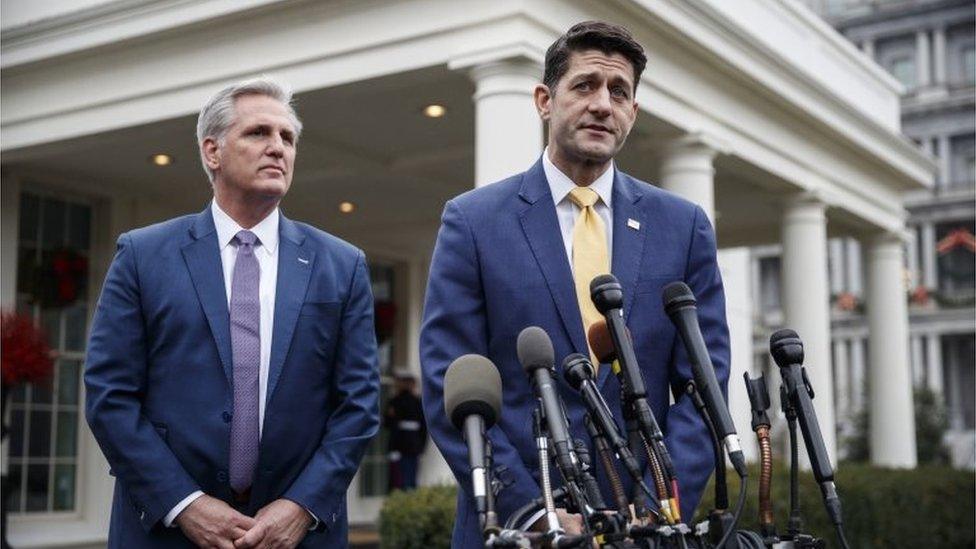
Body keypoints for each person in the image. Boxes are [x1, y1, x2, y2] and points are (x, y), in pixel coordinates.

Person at [420, 21, 730, 548]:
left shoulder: (683, 226)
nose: (602, 105)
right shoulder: (472, 222)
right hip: (516, 528)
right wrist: (531, 512)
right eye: (584, 86)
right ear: (544, 99)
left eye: (619, 92)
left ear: (633, 111)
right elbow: (449, 387)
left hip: (646, 528)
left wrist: (660, 502)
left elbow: (706, 385)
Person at [84, 78, 380, 548]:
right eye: (258, 133)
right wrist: (184, 503)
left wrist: (301, 506)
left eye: (287, 138)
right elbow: (109, 395)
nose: (277, 148)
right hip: (167, 531)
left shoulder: (341, 265)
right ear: (212, 152)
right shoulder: (143, 255)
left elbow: (359, 405)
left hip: (295, 534)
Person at [384, 372, 427, 490]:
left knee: (407, 479)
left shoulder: (412, 402)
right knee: (400, 479)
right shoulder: (397, 401)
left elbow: (423, 427)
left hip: (409, 444)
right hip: (405, 444)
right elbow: (388, 423)